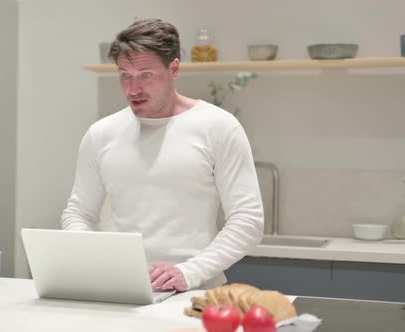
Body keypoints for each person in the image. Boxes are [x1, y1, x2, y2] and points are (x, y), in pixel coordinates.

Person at [60, 18, 264, 292]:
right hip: (121, 290)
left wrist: (188, 271)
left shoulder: (219, 127)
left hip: (195, 293)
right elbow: (79, 213)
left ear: (174, 69)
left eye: (146, 75)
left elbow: (248, 221)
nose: (133, 89)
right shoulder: (101, 134)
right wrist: (95, 258)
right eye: (125, 75)